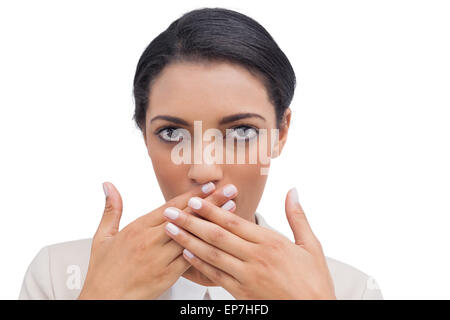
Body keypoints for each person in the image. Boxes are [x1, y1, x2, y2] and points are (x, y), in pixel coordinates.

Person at [19, 7, 383, 300]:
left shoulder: (347, 290)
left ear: (280, 133)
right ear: (144, 135)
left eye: (242, 131)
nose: (204, 169)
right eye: (172, 132)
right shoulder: (58, 276)